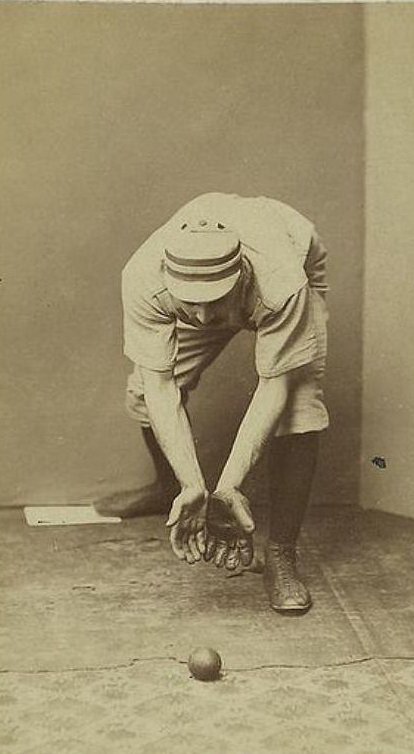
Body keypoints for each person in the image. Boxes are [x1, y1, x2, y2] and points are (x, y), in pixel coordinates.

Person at [120, 192, 329, 614]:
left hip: (290, 258)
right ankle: (173, 491)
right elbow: (162, 388)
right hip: (217, 287)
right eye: (188, 302)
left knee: (298, 407)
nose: (199, 317)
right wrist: (193, 483)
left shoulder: (281, 282)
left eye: (212, 300)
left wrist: (228, 485)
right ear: (168, 279)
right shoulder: (143, 278)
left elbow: (275, 387)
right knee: (143, 391)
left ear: (240, 278)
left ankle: (281, 555)